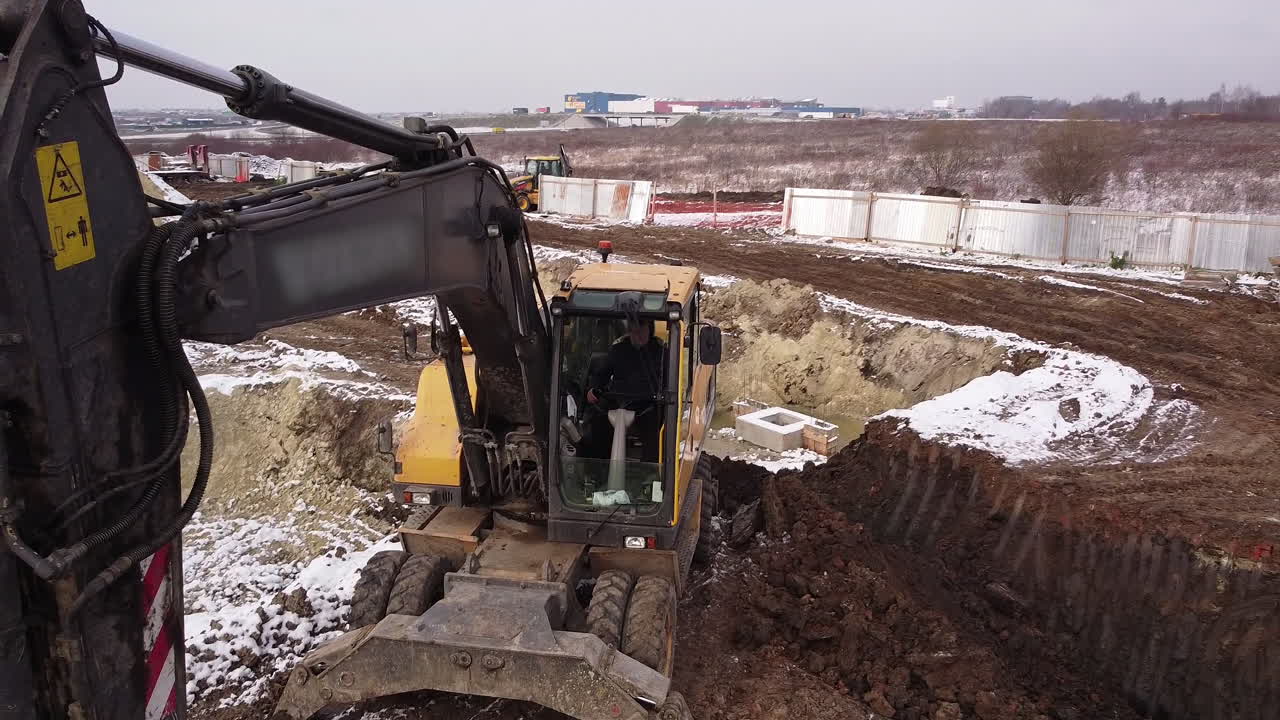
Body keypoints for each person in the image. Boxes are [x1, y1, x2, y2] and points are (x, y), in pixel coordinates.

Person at [586, 318, 665, 462]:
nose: (638, 335)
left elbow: (669, 378)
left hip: (648, 403)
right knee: (597, 422)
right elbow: (603, 373)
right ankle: (598, 468)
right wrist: (594, 388)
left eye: (642, 331)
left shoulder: (661, 351)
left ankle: (651, 472)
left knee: (655, 430)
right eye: (634, 332)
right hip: (618, 400)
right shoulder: (618, 349)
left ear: (650, 330)